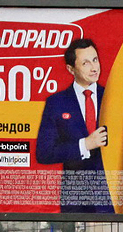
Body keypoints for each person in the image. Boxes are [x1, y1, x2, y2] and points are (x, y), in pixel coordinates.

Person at [35, 37, 114, 214]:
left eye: (95, 59)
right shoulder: (56, 103)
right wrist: (84, 145)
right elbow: (44, 153)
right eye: (85, 63)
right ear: (71, 69)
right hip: (76, 199)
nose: (94, 68)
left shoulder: (113, 97)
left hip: (111, 197)